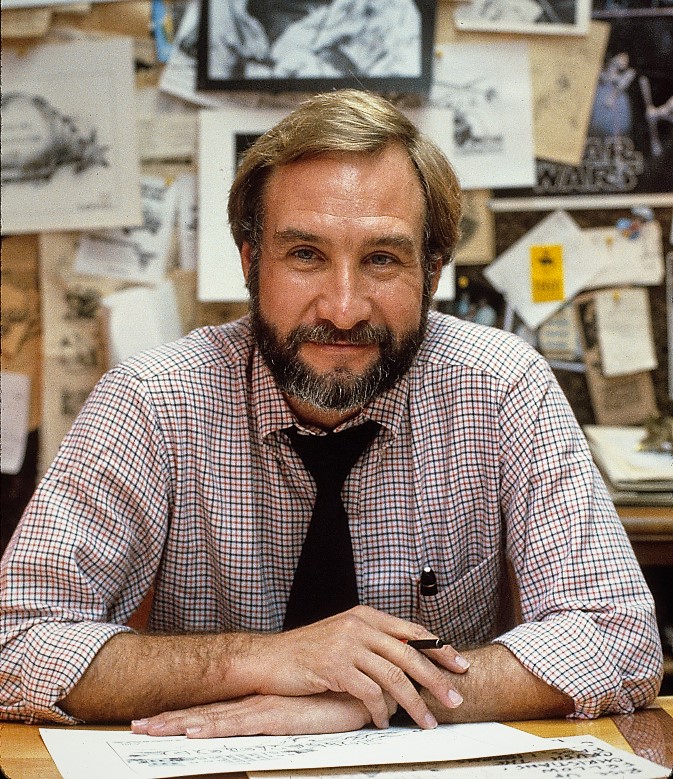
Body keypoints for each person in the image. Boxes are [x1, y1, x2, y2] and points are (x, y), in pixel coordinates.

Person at [0, 90, 662, 737]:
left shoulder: (500, 387)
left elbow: (618, 635)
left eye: (380, 258)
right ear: (250, 261)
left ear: (431, 272)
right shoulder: (152, 399)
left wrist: (378, 700)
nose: (342, 309)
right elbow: (15, 641)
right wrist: (265, 660)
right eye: (305, 254)